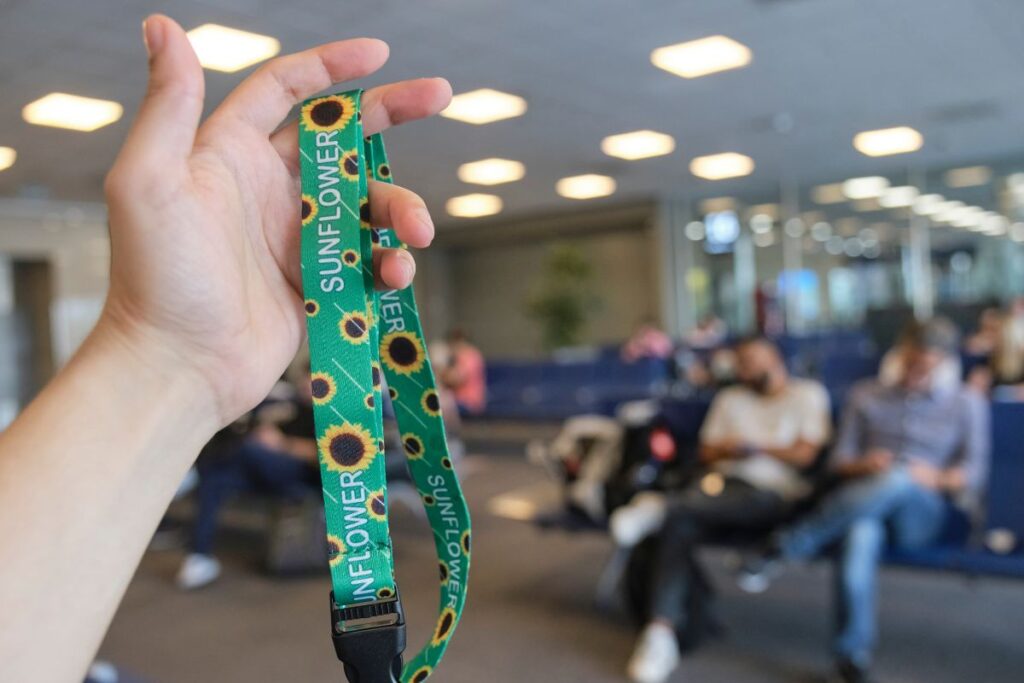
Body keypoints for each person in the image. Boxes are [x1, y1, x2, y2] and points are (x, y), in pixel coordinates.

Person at [0, 15, 450, 681]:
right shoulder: (282, 378)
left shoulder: (340, 395)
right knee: (230, 463)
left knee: (238, 458)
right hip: (269, 435)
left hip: (305, 464)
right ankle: (200, 534)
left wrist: (171, 359)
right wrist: (170, 352)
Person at [739, 318, 990, 683]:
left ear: (944, 366)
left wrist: (929, 476)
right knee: (860, 532)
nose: (917, 371)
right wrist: (865, 464)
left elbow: (973, 474)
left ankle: (786, 546)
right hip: (861, 502)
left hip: (924, 512)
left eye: (927, 365)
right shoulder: (866, 393)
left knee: (899, 478)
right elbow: (839, 463)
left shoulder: (967, 403)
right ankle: (850, 656)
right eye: (911, 361)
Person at [612, 336, 831, 683]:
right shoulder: (730, 398)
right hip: (717, 491)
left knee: (678, 513)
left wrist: (757, 448)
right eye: (741, 363)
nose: (746, 369)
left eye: (753, 361)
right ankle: (660, 634)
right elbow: (706, 453)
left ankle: (658, 505)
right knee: (678, 525)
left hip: (773, 493)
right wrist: (730, 450)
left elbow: (806, 455)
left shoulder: (807, 395)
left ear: (774, 359)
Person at [177, 365, 320, 589]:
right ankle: (199, 556)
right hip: (265, 473)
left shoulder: (330, 416)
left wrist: (281, 444)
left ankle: (193, 472)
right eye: (304, 380)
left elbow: (321, 456)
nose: (304, 385)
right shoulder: (294, 408)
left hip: (300, 476)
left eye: (310, 382)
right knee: (216, 479)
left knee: (248, 448)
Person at [440, 328, 487, 414]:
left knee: (441, 406)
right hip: (458, 400)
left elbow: (456, 379)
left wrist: (441, 374)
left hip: (469, 401)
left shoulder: (470, 356)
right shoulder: (460, 356)